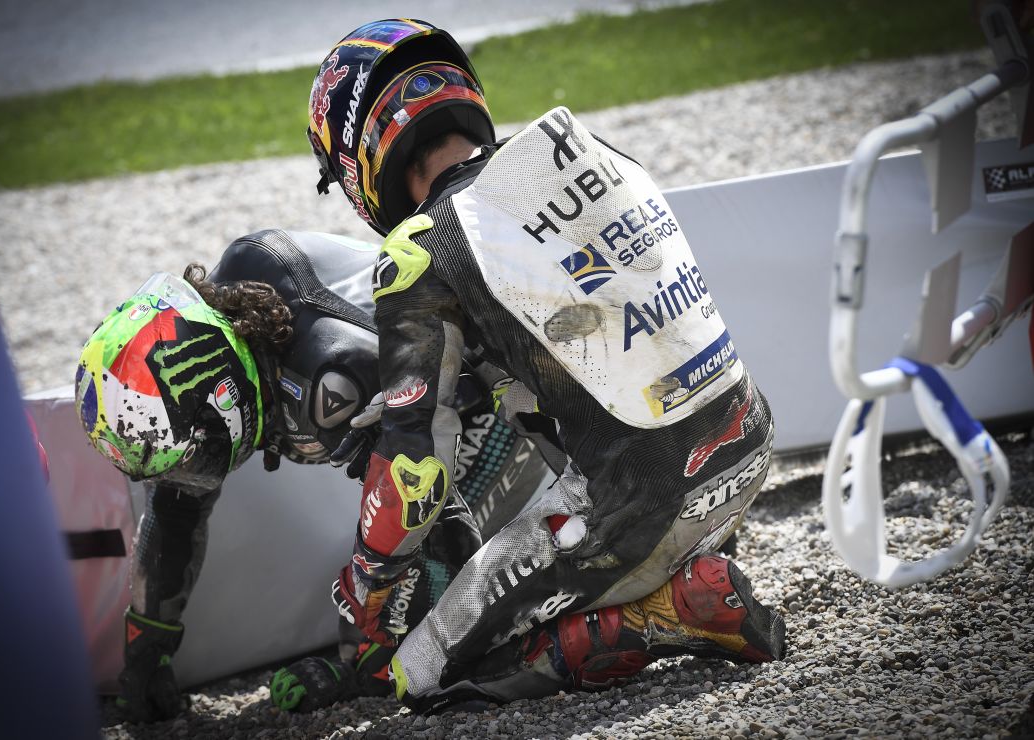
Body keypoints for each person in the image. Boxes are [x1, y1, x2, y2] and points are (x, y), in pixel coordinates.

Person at [307, 19, 786, 711]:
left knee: (420, 675)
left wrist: (366, 585)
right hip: (750, 442)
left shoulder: (419, 247)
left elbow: (416, 471)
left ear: (359, 156)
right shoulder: (591, 154)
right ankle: (675, 574)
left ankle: (658, 612)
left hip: (639, 503)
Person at [75, 229, 554, 721]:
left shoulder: (328, 372)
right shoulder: (233, 340)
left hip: (498, 408)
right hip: (432, 414)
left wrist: (365, 665)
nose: (191, 475)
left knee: (412, 615)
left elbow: (433, 515)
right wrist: (146, 645)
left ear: (220, 396)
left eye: (192, 459)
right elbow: (173, 516)